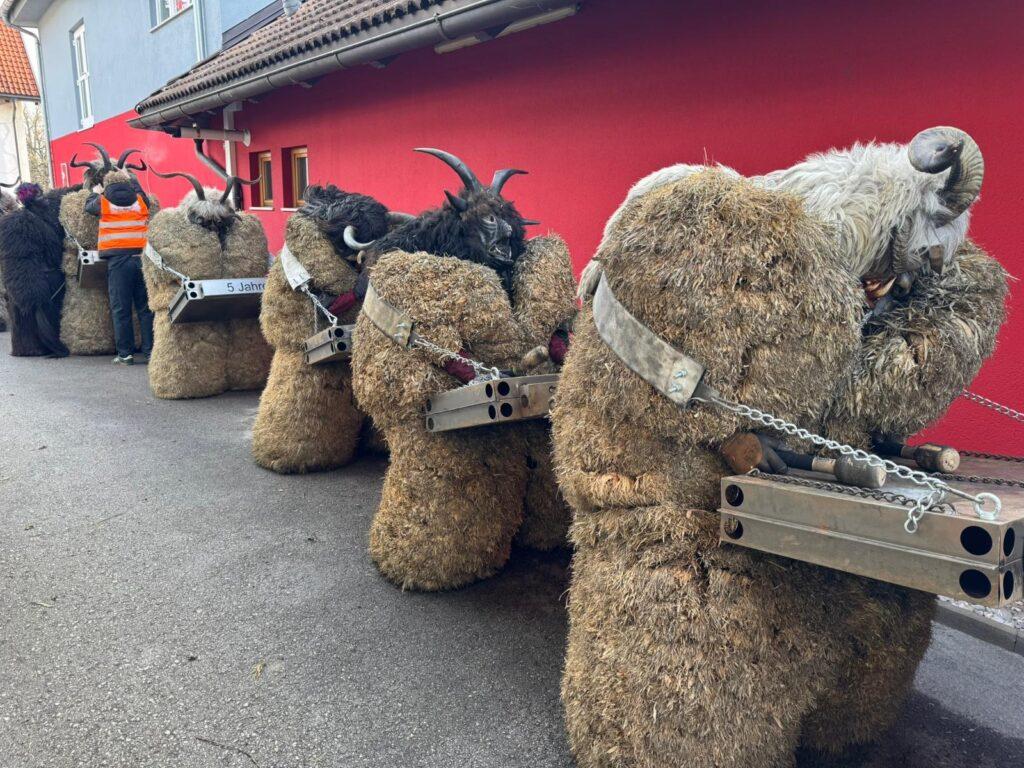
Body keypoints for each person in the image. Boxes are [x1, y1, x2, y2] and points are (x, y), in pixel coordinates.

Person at [85, 175, 154, 365]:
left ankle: (125, 354)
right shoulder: (141, 201)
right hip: (142, 259)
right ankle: (150, 353)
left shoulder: (103, 202)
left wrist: (97, 191)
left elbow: (88, 205)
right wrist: (131, 177)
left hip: (118, 262)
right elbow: (140, 190)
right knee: (146, 309)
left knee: (121, 308)